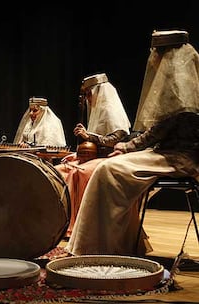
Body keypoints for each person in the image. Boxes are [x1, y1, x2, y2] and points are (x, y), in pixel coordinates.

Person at [65, 29, 199, 257]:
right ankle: (117, 244)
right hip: (165, 153)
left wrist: (127, 147)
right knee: (103, 169)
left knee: (108, 170)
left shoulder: (183, 86)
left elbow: (161, 129)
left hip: (182, 158)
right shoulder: (177, 83)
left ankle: (103, 248)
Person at [55, 73, 131, 237]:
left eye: (89, 94)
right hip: (94, 157)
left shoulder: (110, 110)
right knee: (60, 169)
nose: (87, 98)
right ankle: (62, 223)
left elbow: (114, 140)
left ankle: (82, 226)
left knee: (78, 173)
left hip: (109, 157)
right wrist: (78, 151)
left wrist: (88, 136)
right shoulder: (96, 111)